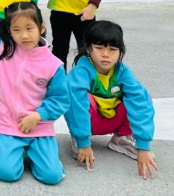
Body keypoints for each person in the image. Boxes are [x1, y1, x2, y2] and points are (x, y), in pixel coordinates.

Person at [0, 1, 69, 185]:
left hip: (38, 125)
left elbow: (60, 99)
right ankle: (3, 146)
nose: (24, 35)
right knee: (6, 173)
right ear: (9, 31)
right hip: (7, 122)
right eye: (16, 30)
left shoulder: (53, 65)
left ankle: (38, 154)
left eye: (29, 28)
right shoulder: (5, 49)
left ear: (41, 28)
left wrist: (38, 116)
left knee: (52, 176)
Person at [66, 21, 158, 180]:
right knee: (78, 98)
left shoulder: (122, 72)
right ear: (88, 48)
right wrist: (83, 142)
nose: (106, 54)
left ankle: (121, 138)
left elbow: (140, 103)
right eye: (99, 48)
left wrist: (143, 146)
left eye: (112, 49)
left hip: (113, 120)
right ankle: (78, 138)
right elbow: (76, 107)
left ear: (120, 51)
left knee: (141, 96)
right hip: (89, 122)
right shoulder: (81, 71)